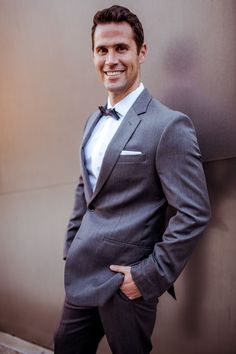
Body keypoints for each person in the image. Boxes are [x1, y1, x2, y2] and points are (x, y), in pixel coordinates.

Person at [54, 5, 211, 354]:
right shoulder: (91, 123)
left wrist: (146, 277)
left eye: (121, 48)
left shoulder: (169, 126)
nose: (111, 59)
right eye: (102, 50)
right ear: (93, 55)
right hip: (82, 274)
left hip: (125, 283)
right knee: (64, 347)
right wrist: (72, 247)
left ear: (142, 51)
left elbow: (194, 212)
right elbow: (87, 188)